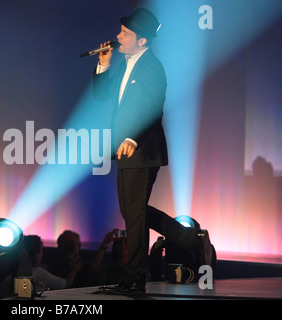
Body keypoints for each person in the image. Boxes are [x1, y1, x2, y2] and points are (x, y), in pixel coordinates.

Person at [93, 8, 212, 294]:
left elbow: (151, 106)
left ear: (142, 41)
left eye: (125, 34)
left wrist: (133, 137)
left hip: (141, 148)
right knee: (133, 211)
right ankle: (187, 238)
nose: (118, 37)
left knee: (134, 213)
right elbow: (101, 95)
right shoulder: (125, 63)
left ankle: (135, 277)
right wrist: (104, 66)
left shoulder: (152, 67)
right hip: (126, 149)